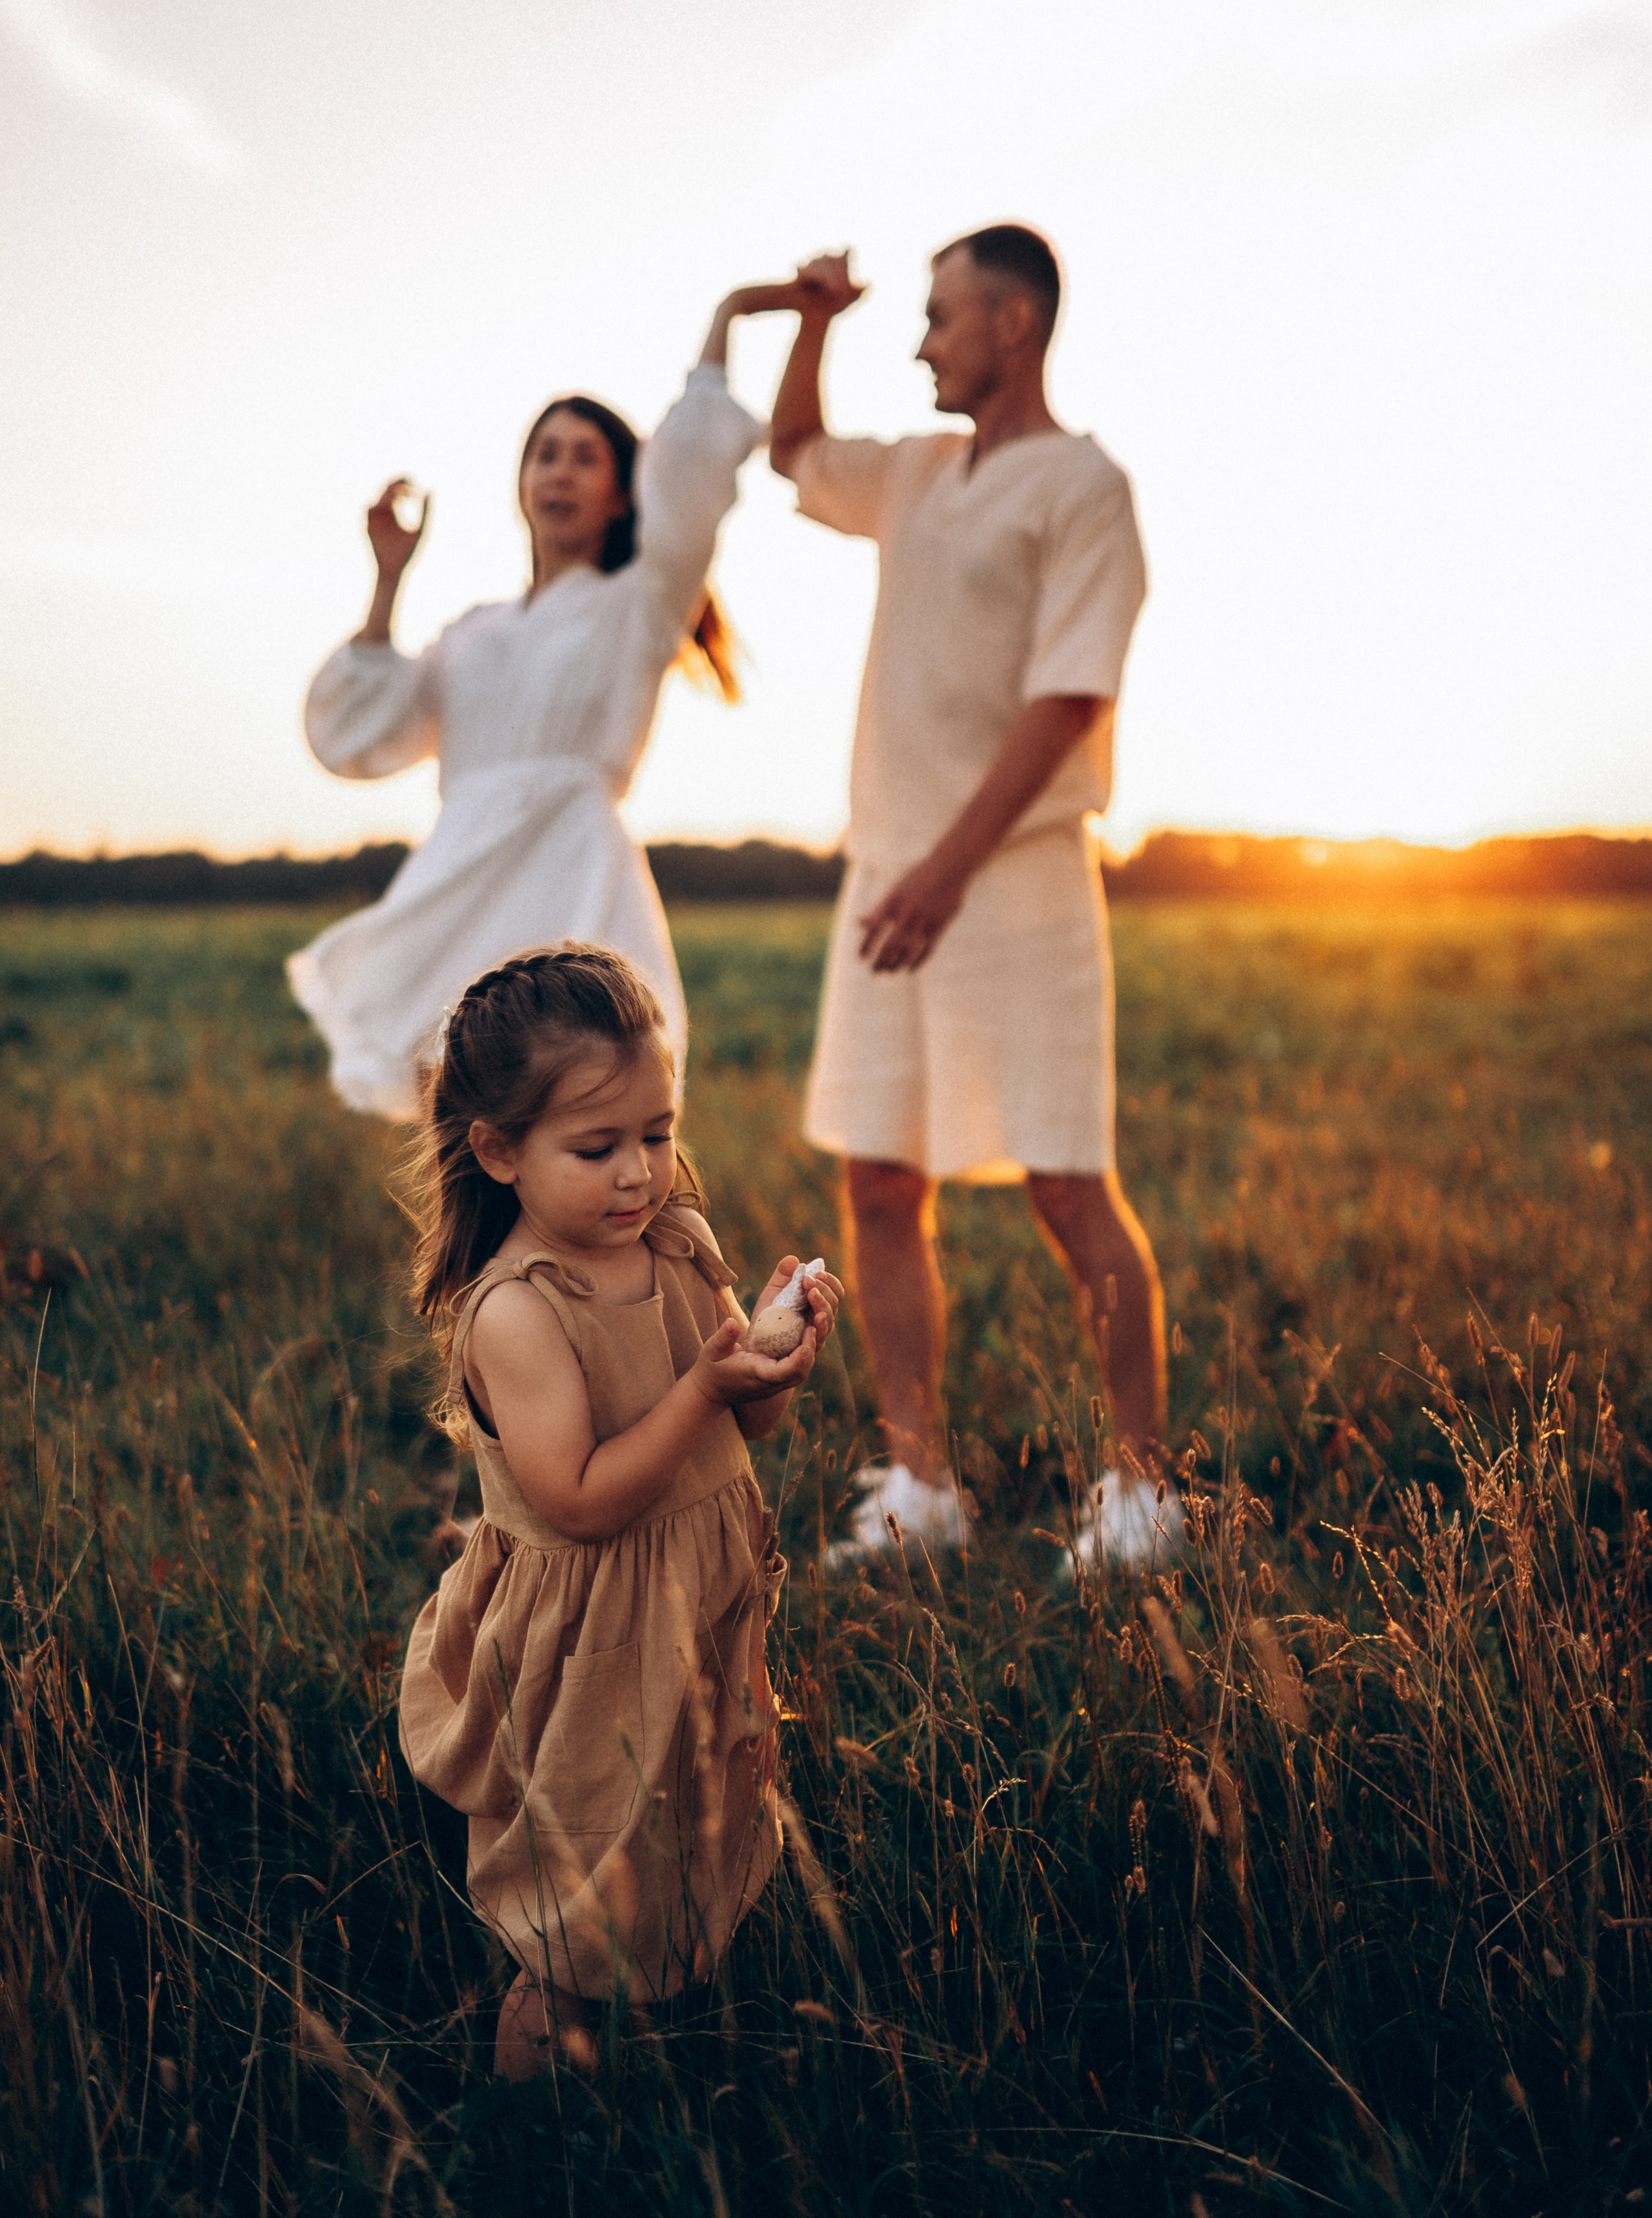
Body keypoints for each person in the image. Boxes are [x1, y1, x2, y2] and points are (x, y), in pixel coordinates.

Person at [768, 225, 1180, 1573]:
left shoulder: (1082, 486)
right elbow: (790, 454)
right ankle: (919, 1486)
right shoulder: (917, 473)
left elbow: (1069, 697)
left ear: (1010, 323)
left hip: (1007, 880)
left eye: (937, 317)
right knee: (879, 1177)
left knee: (1065, 1181)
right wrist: (813, 321)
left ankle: (1139, 1495)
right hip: (889, 879)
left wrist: (946, 869)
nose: (921, 340)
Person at [397, 943, 841, 2077]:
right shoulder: (516, 1310)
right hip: (590, 1636)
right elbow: (580, 1500)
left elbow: (740, 1433)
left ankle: (653, 2060)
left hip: (698, 1606)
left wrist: (773, 1367)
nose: (641, 1172)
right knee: (582, 1883)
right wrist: (705, 1388)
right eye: (597, 1148)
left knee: (687, 1829)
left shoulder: (679, 1246)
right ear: (498, 1151)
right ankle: (533, 2132)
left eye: (658, 1131)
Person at [289, 287, 791, 1118]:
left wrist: (730, 316)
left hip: (573, 873)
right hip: (460, 876)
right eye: (545, 454)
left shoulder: (642, 603)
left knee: (579, 1113)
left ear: (625, 492)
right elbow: (360, 736)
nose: (560, 471)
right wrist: (387, 578)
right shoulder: (471, 632)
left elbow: (692, 479)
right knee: (458, 1121)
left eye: (585, 456)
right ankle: (476, 1260)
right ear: (522, 480)